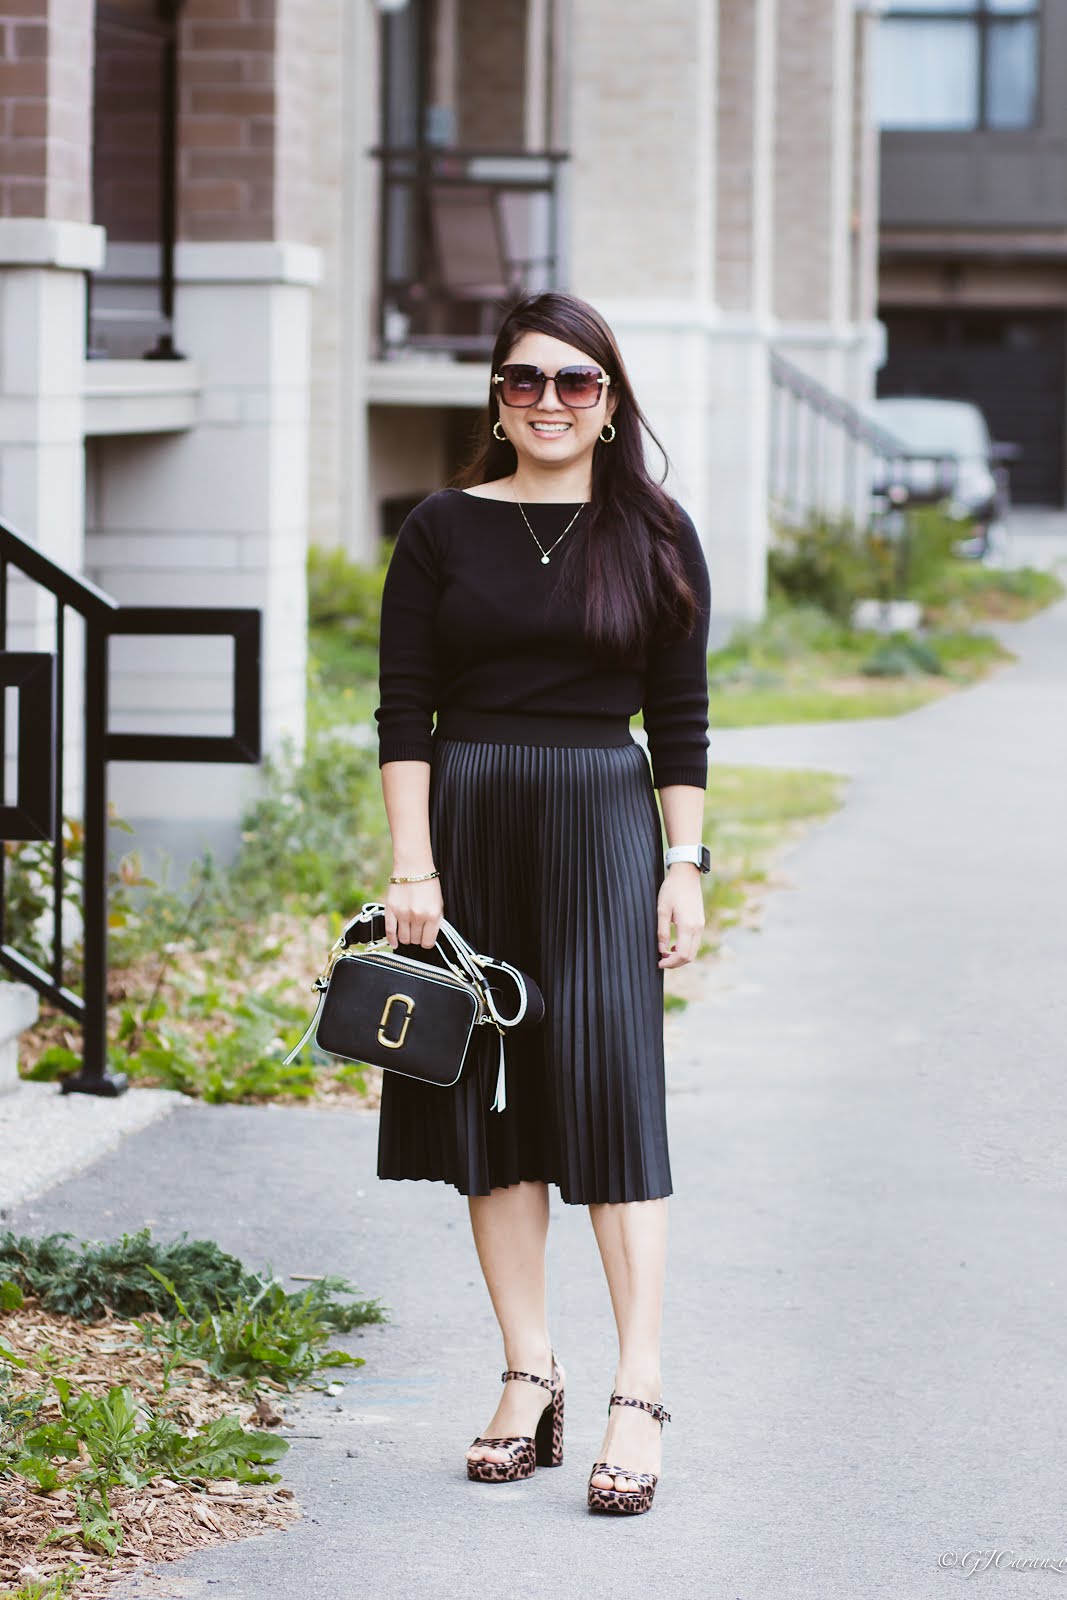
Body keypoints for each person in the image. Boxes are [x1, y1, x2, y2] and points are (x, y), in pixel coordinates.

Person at [372, 290, 711, 1516]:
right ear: (497, 398)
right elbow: (400, 707)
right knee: (489, 1108)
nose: (550, 402)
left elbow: (678, 720)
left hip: (602, 826)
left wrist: (684, 865)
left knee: (614, 1097)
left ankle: (636, 1385)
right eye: (526, 381)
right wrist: (413, 867)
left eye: (576, 383)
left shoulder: (656, 532)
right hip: (468, 818)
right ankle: (528, 1369)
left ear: (610, 403)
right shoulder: (439, 529)